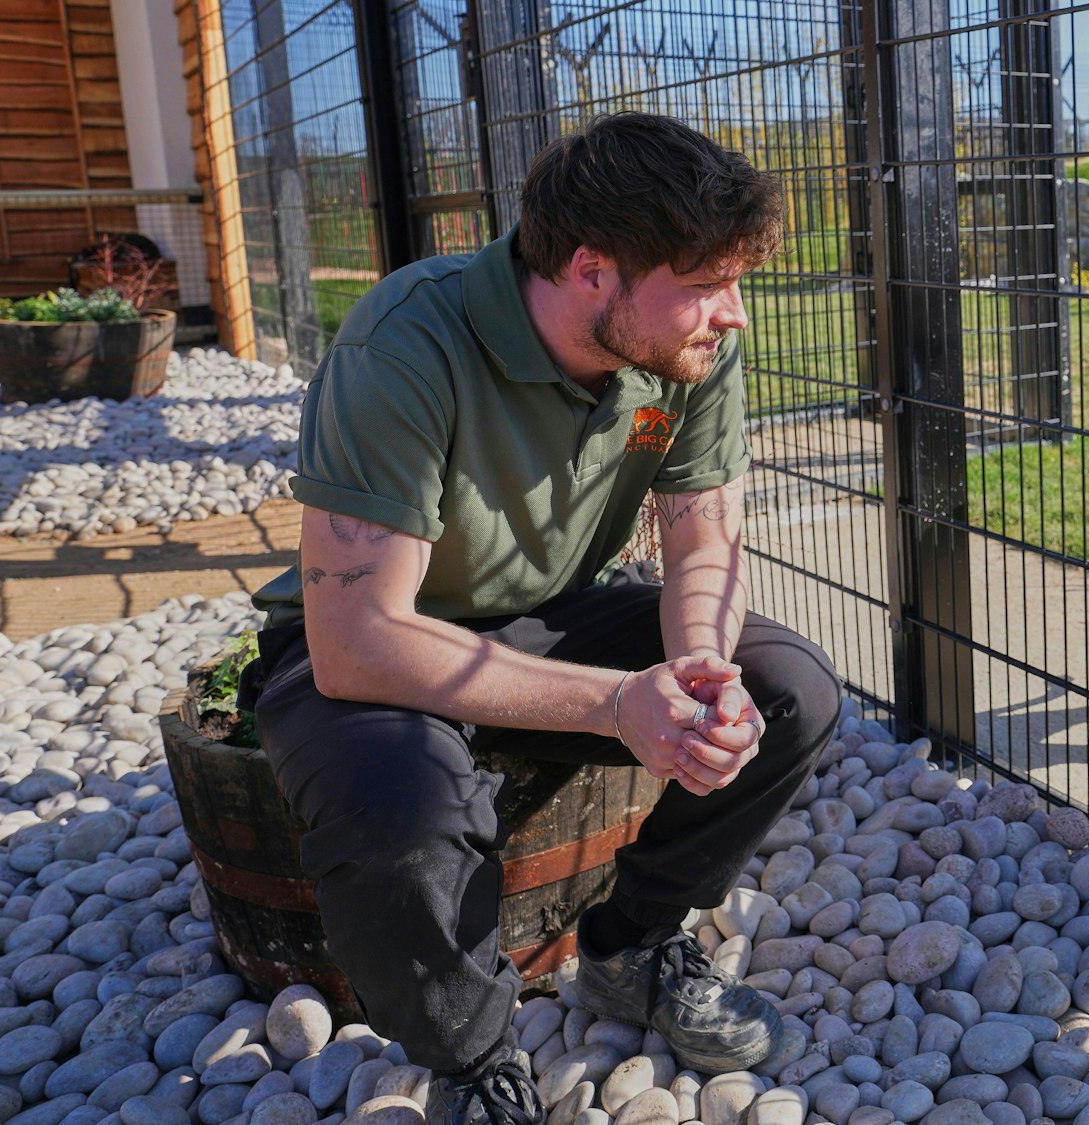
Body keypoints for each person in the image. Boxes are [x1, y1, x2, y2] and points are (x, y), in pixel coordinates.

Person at [245, 112, 841, 1125]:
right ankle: (475, 1063)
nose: (733, 314)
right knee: (401, 806)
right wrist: (616, 703)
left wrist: (697, 675)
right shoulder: (406, 340)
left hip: (546, 614)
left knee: (790, 690)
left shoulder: (687, 351)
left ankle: (633, 947)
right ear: (591, 270)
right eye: (707, 283)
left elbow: (704, 545)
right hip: (377, 645)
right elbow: (357, 639)